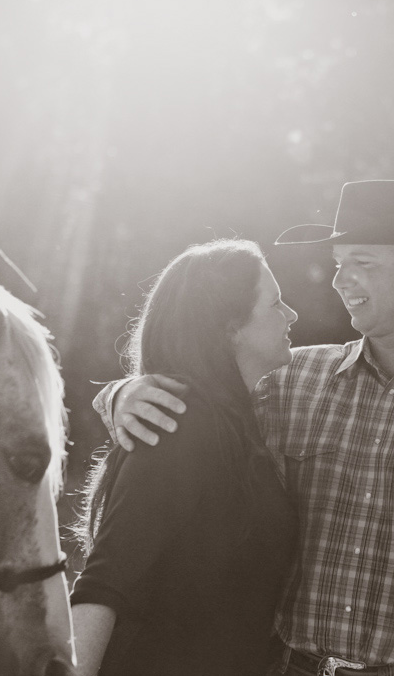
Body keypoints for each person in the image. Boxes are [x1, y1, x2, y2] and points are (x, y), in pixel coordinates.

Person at [95, 181, 394, 676]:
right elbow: (200, 391)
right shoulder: (288, 378)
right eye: (338, 263)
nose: (340, 281)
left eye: (363, 263)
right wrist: (122, 394)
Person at [72, 239, 299, 676]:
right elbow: (106, 582)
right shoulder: (182, 423)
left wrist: (117, 391)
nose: (290, 315)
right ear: (230, 327)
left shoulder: (237, 419)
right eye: (275, 303)